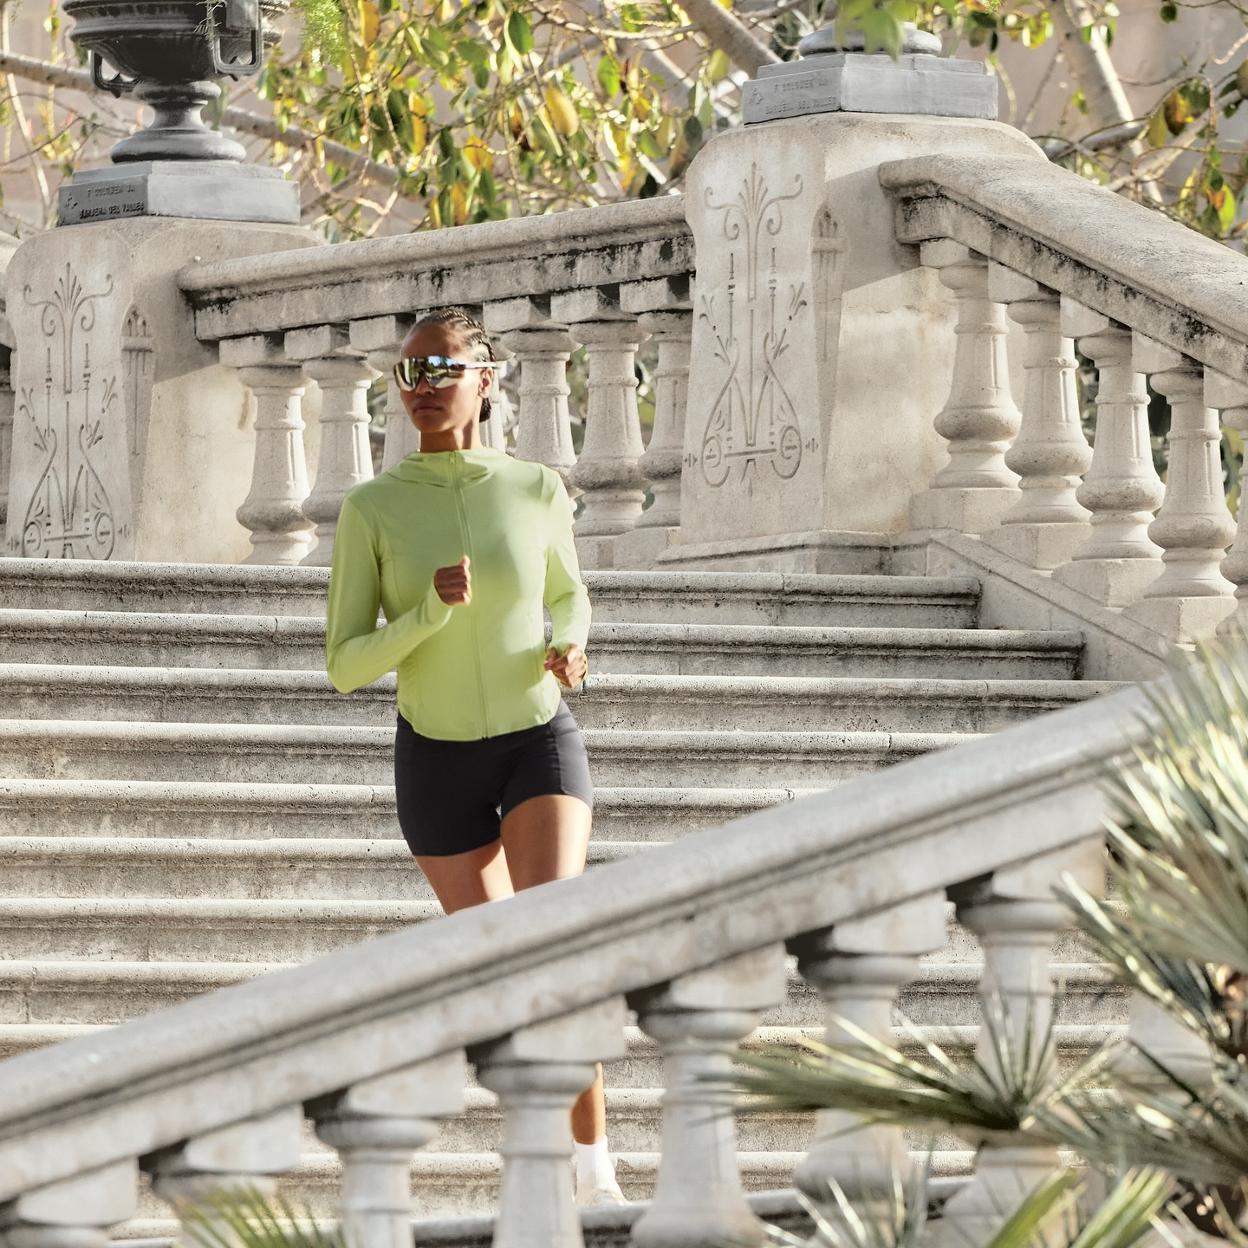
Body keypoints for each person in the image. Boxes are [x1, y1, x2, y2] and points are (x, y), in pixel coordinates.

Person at [323, 306, 626, 1207]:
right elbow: (345, 664)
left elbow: (569, 599)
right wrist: (427, 614)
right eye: (408, 375)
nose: (421, 390)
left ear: (485, 380)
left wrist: (572, 650)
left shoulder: (535, 488)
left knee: (550, 946)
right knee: (503, 974)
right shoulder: (371, 508)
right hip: (436, 761)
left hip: (538, 740)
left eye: (441, 370)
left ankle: (596, 1173)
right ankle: (539, 1156)